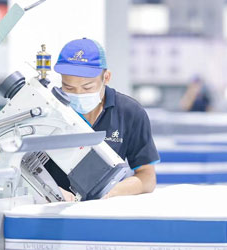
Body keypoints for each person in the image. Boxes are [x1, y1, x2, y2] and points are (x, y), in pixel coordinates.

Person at [45, 38, 159, 200]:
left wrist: (108, 192)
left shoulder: (129, 112)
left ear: (106, 77)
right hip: (50, 204)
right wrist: (51, 191)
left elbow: (147, 178)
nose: (78, 94)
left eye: (87, 87)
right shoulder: (47, 109)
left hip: (102, 207)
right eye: (68, 87)